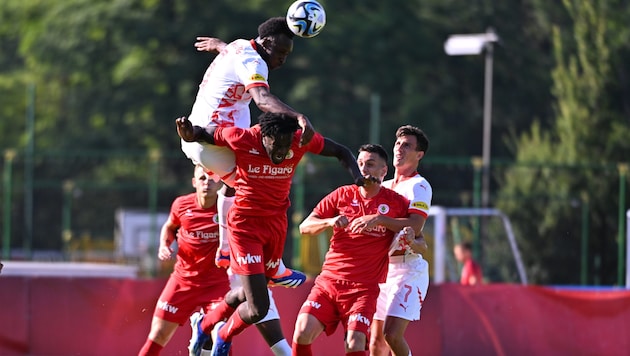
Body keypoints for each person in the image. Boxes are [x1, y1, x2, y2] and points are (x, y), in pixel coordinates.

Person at [176, 112, 371, 356]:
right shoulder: (241, 138)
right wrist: (189, 133)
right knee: (259, 307)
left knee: (252, 294)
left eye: (286, 144)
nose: (282, 151)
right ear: (264, 136)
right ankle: (221, 336)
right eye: (277, 144)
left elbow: (341, 151)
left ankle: (204, 324)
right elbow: (205, 134)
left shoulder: (299, 140)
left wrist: (357, 177)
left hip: (275, 227)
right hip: (244, 227)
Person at [181, 17, 313, 287]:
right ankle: (272, 267)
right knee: (265, 190)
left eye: (287, 54)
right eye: (280, 53)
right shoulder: (254, 62)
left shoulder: (241, 45)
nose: (283, 60)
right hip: (209, 140)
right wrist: (298, 116)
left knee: (240, 184)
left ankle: (226, 250)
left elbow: (230, 49)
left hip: (218, 129)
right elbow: (262, 100)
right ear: (265, 44)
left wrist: (219, 45)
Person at [292, 144, 424, 356]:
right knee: (301, 331)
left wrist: (405, 235)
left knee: (354, 343)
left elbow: (421, 241)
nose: (363, 169)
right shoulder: (342, 195)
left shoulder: (396, 203)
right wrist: (330, 221)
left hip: (363, 290)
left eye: (370, 164)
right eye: (360, 164)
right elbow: (304, 227)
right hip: (329, 283)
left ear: (383, 171)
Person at [370, 125, 433, 356]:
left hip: (407, 270)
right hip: (382, 271)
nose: (400, 148)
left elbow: (416, 226)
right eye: (398, 143)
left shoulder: (419, 186)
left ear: (419, 155)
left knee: (392, 335)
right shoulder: (383, 186)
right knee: (375, 344)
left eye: (407, 145)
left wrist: (380, 219)